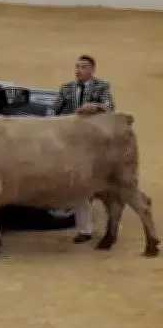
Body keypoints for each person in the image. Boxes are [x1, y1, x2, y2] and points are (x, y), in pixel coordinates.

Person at [50, 55, 115, 243]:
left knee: (105, 185)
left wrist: (94, 107)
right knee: (81, 185)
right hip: (72, 143)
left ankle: (111, 227)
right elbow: (53, 109)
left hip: (95, 144)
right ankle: (85, 230)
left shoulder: (101, 86)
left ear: (92, 70)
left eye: (83, 67)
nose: (79, 70)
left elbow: (109, 107)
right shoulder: (67, 88)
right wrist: (52, 122)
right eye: (77, 66)